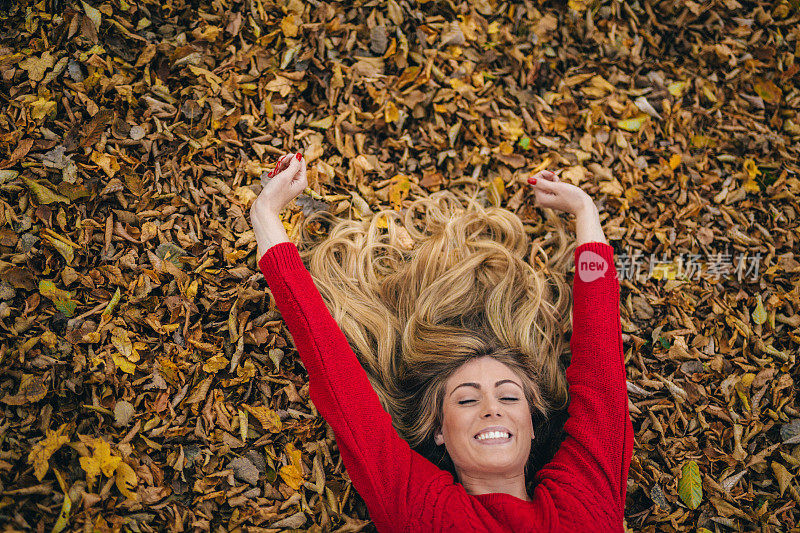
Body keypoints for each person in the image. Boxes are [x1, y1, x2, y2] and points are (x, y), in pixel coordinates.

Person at [249, 152, 634, 532]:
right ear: (439, 431)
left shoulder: (586, 496)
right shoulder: (421, 509)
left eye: (510, 396)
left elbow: (601, 372)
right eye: (466, 399)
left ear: (533, 423)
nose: (491, 409)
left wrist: (586, 212)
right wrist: (265, 216)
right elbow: (338, 380)